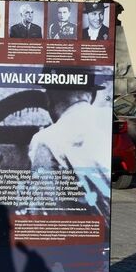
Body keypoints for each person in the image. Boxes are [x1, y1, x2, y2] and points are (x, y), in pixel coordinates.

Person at [24, 68, 111, 230]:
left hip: (91, 247)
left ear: (50, 96)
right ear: (91, 93)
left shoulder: (46, 139)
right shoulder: (111, 118)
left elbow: (47, 219)